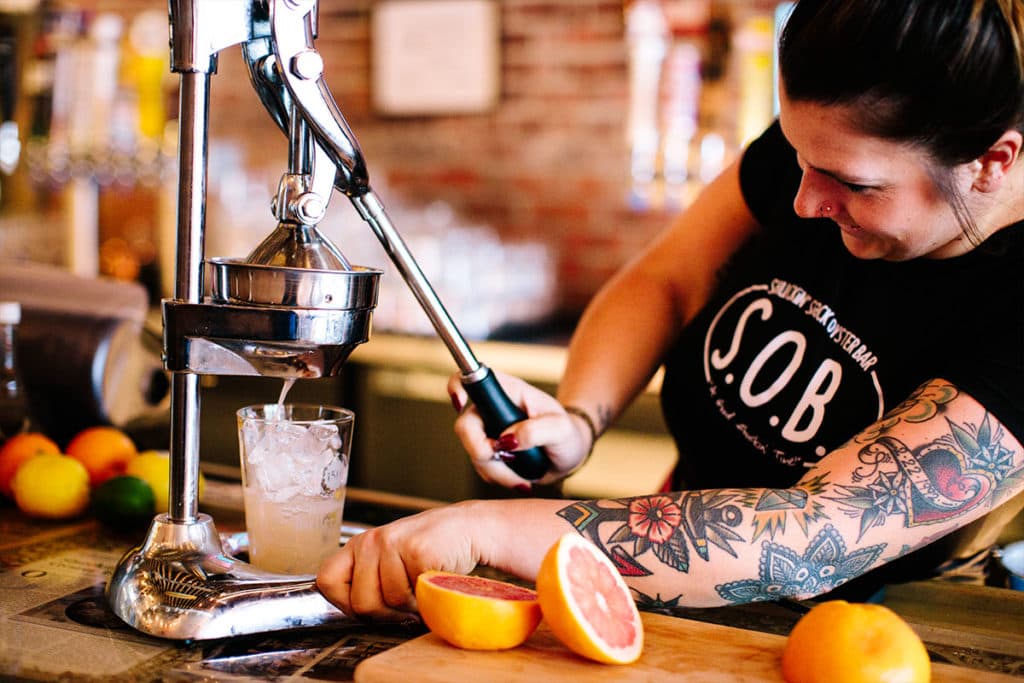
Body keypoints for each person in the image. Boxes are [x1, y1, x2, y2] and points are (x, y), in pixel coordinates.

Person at [318, 0, 1024, 621]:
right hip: (667, 572)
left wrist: (496, 531)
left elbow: (815, 533)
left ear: (993, 162)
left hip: (878, 630)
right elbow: (669, 279)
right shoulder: (826, 147)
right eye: (799, 156)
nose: (805, 201)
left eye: (851, 183)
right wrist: (579, 416)